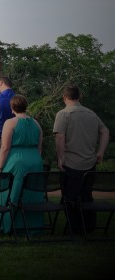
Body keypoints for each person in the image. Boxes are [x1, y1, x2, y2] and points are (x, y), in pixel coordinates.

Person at [53, 85, 110, 235]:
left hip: (71, 163)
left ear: (64, 98)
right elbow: (105, 131)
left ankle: (74, 228)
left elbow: (59, 136)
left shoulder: (64, 114)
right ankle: (89, 227)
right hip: (89, 163)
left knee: (70, 197)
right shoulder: (91, 114)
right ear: (80, 97)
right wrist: (100, 152)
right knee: (86, 195)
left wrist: (60, 158)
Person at [0, 95, 44, 235]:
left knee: (13, 192)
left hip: (17, 160)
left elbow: (5, 147)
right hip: (35, 160)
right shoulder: (36, 123)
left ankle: (9, 225)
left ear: (12, 108)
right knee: (32, 193)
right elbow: (40, 147)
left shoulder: (10, 123)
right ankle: (31, 226)